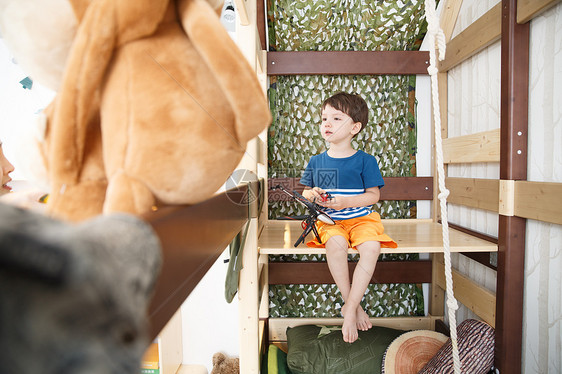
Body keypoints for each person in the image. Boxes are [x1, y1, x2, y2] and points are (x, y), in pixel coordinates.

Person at [300, 92, 397, 343]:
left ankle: (350, 308)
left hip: (362, 219)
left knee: (372, 247)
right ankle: (353, 307)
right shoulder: (317, 161)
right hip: (330, 220)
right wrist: (313, 194)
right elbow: (305, 191)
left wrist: (347, 202)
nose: (327, 124)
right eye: (324, 118)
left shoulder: (365, 161)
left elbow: (373, 196)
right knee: (336, 244)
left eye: (336, 118)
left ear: (355, 127)